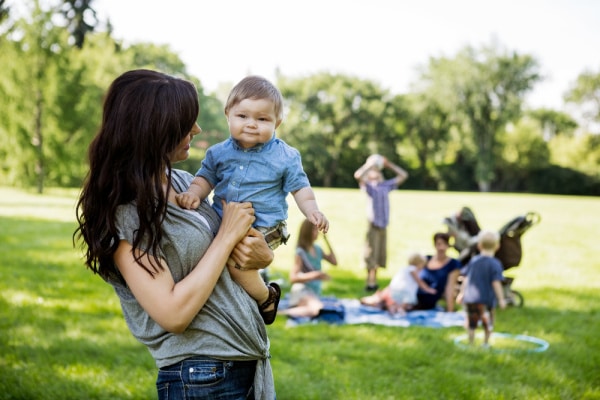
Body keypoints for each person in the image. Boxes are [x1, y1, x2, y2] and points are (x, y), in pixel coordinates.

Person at [74, 69, 279, 399]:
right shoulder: (126, 214)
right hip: (202, 379)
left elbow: (229, 257)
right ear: (153, 129)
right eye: (186, 122)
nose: (196, 129)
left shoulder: (184, 184)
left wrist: (262, 258)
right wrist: (226, 236)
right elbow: (173, 314)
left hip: (241, 368)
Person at [176, 75, 329, 298]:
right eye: (242, 116)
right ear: (228, 115)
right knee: (209, 255)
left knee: (234, 261)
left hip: (263, 227)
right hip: (223, 223)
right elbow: (204, 178)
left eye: (262, 119)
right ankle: (229, 297)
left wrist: (313, 211)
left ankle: (264, 298)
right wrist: (193, 193)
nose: (251, 123)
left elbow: (300, 189)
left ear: (277, 123)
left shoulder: (285, 156)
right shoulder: (218, 153)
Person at [354, 154, 408, 291]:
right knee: (371, 254)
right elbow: (358, 175)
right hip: (373, 224)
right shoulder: (370, 187)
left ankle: (374, 280)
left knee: (379, 254)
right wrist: (369, 165)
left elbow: (403, 175)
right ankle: (370, 281)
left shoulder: (386, 186)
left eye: (377, 171)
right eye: (373, 172)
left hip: (384, 224)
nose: (375, 173)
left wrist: (389, 165)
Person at [456, 230, 507, 346]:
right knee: (487, 322)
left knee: (471, 322)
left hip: (470, 299)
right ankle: (485, 343)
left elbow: (466, 279)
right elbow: (496, 283)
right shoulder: (495, 263)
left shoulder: (473, 261)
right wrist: (501, 299)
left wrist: (461, 293)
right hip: (486, 300)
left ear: (479, 246)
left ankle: (471, 342)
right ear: (497, 246)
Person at [280, 218, 338, 319]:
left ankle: (285, 312)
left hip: (313, 293)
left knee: (316, 310)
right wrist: (316, 275)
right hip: (302, 290)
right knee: (317, 309)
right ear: (307, 232)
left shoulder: (318, 249)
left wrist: (326, 239)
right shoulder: (300, 252)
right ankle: (280, 314)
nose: (317, 233)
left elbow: (334, 262)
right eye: (314, 230)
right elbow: (293, 278)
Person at [360, 252, 436, 315]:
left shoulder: (405, 268)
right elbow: (419, 281)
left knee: (397, 301)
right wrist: (428, 289)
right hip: (403, 289)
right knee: (407, 300)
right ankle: (400, 310)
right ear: (418, 263)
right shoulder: (413, 269)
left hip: (394, 288)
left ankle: (394, 309)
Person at [415, 232, 462, 311]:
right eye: (439, 244)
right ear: (434, 245)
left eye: (444, 244)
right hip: (413, 295)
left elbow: (450, 287)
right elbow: (410, 275)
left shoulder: (453, 264)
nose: (442, 248)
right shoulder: (426, 259)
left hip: (429, 300)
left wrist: (450, 310)